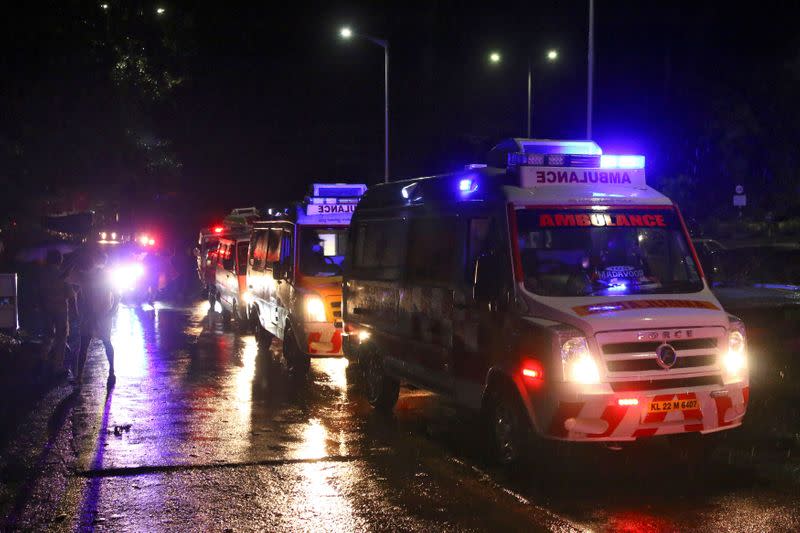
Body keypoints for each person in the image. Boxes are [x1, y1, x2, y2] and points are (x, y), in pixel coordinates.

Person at [74, 251, 119, 387]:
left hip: (101, 315)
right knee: (87, 345)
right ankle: (80, 375)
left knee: (99, 343)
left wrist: (111, 311)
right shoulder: (85, 276)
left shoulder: (103, 276)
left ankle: (110, 371)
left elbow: (117, 295)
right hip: (92, 315)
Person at [38, 249, 75, 381]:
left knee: (47, 336)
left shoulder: (42, 275)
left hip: (45, 309)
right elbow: (71, 296)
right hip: (60, 311)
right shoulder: (62, 275)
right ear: (59, 260)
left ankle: (42, 360)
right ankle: (57, 367)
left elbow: (38, 293)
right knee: (61, 338)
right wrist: (75, 313)